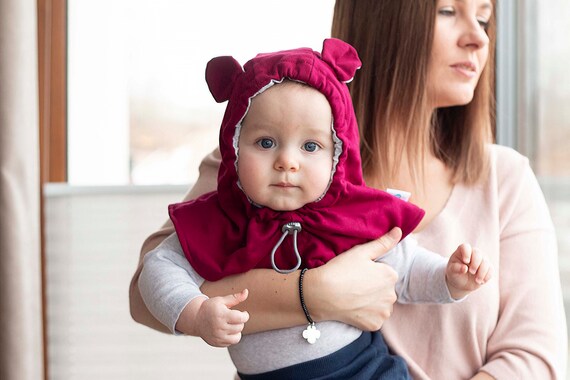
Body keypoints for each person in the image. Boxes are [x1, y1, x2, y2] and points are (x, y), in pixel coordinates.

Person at [130, 1, 568, 379]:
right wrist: (315, 294)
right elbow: (145, 296)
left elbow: (536, 361)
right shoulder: (260, 160)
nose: (478, 38)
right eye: (449, 11)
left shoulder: (504, 179)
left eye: (486, 18)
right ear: (381, 16)